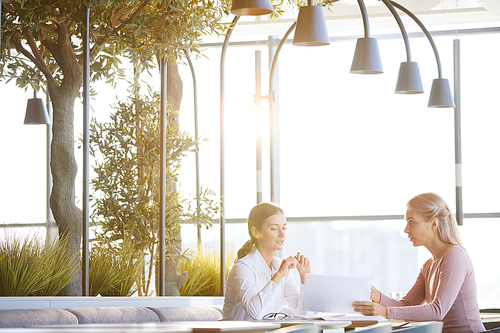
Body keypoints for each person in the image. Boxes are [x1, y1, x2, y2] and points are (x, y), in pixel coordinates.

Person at [352, 193, 485, 333]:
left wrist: (385, 312)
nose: (406, 230)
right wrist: (378, 297)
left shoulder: (455, 255)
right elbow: (406, 304)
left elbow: (437, 310)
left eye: (411, 222)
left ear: (433, 224)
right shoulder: (428, 265)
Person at [222, 202, 311, 320]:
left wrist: (305, 278)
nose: (282, 234)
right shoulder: (243, 267)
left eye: (284, 228)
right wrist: (278, 275)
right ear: (255, 232)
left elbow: (303, 313)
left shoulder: (279, 265)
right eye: (274, 228)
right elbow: (256, 313)